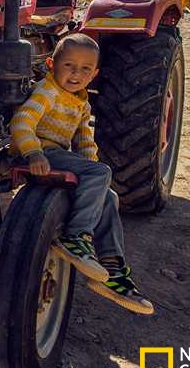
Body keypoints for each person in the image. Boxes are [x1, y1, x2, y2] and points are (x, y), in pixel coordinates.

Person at [10, 33, 154, 315]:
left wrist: (94, 175)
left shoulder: (81, 103)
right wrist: (33, 153)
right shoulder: (47, 92)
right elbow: (21, 122)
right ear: (52, 64)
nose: (76, 74)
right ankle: (76, 237)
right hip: (40, 151)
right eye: (69, 66)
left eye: (85, 69)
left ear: (95, 73)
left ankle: (112, 269)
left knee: (108, 196)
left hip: (60, 155)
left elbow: (85, 140)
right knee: (101, 174)